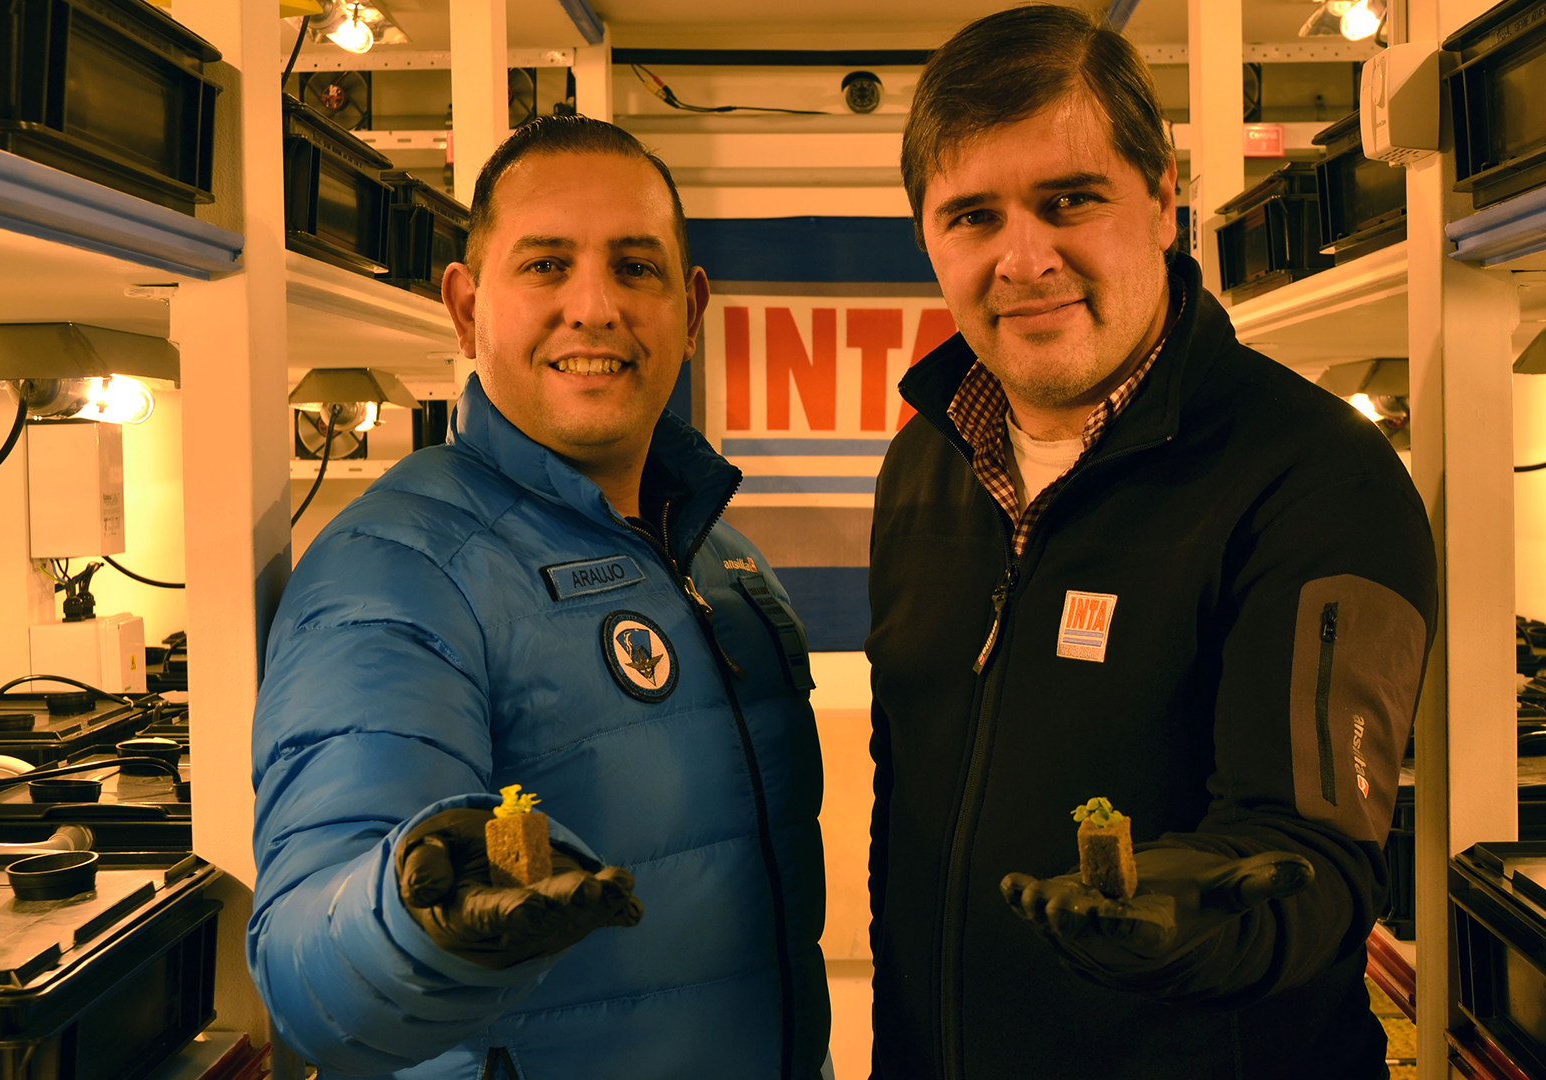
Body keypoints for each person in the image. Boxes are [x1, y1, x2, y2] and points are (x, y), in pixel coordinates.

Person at [865, 7, 1440, 1079]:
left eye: (1069, 200)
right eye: (973, 216)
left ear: (1163, 199)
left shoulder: (1320, 477)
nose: (1023, 258)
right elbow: (906, 804)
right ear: (928, 239)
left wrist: (1216, 927)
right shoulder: (924, 465)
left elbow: (1319, 848)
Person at [249, 117, 830, 1080]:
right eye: (547, 265)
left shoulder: (724, 560)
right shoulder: (397, 568)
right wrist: (410, 922)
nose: (594, 308)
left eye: (634, 268)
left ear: (690, 310)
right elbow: (308, 980)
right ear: (466, 307)